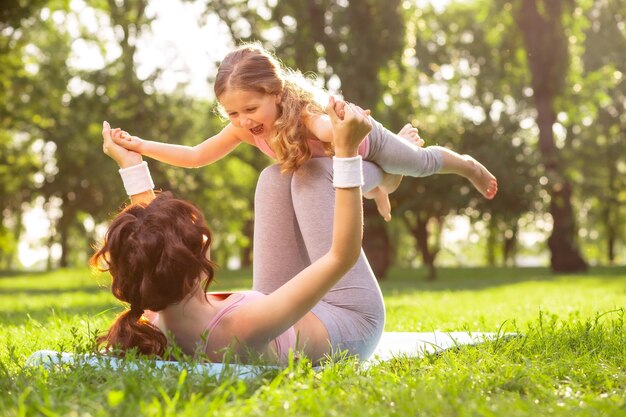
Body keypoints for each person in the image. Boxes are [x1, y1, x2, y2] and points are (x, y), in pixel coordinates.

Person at [93, 98, 386, 364]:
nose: (204, 234)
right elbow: (341, 257)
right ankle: (386, 176)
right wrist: (347, 152)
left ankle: (383, 176)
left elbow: (147, 241)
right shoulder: (240, 327)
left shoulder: (156, 308)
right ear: (188, 265)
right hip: (353, 321)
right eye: (197, 235)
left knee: (275, 176)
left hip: (285, 310)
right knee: (315, 175)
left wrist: (131, 165)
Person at [111, 43, 497, 221]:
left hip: (363, 138)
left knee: (420, 164)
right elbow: (196, 156)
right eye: (232, 113)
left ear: (276, 93)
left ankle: (466, 165)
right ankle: (386, 180)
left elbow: (327, 129)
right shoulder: (244, 129)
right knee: (379, 185)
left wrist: (339, 118)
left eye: (251, 108)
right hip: (344, 168)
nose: (244, 120)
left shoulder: (301, 109)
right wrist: (141, 145)